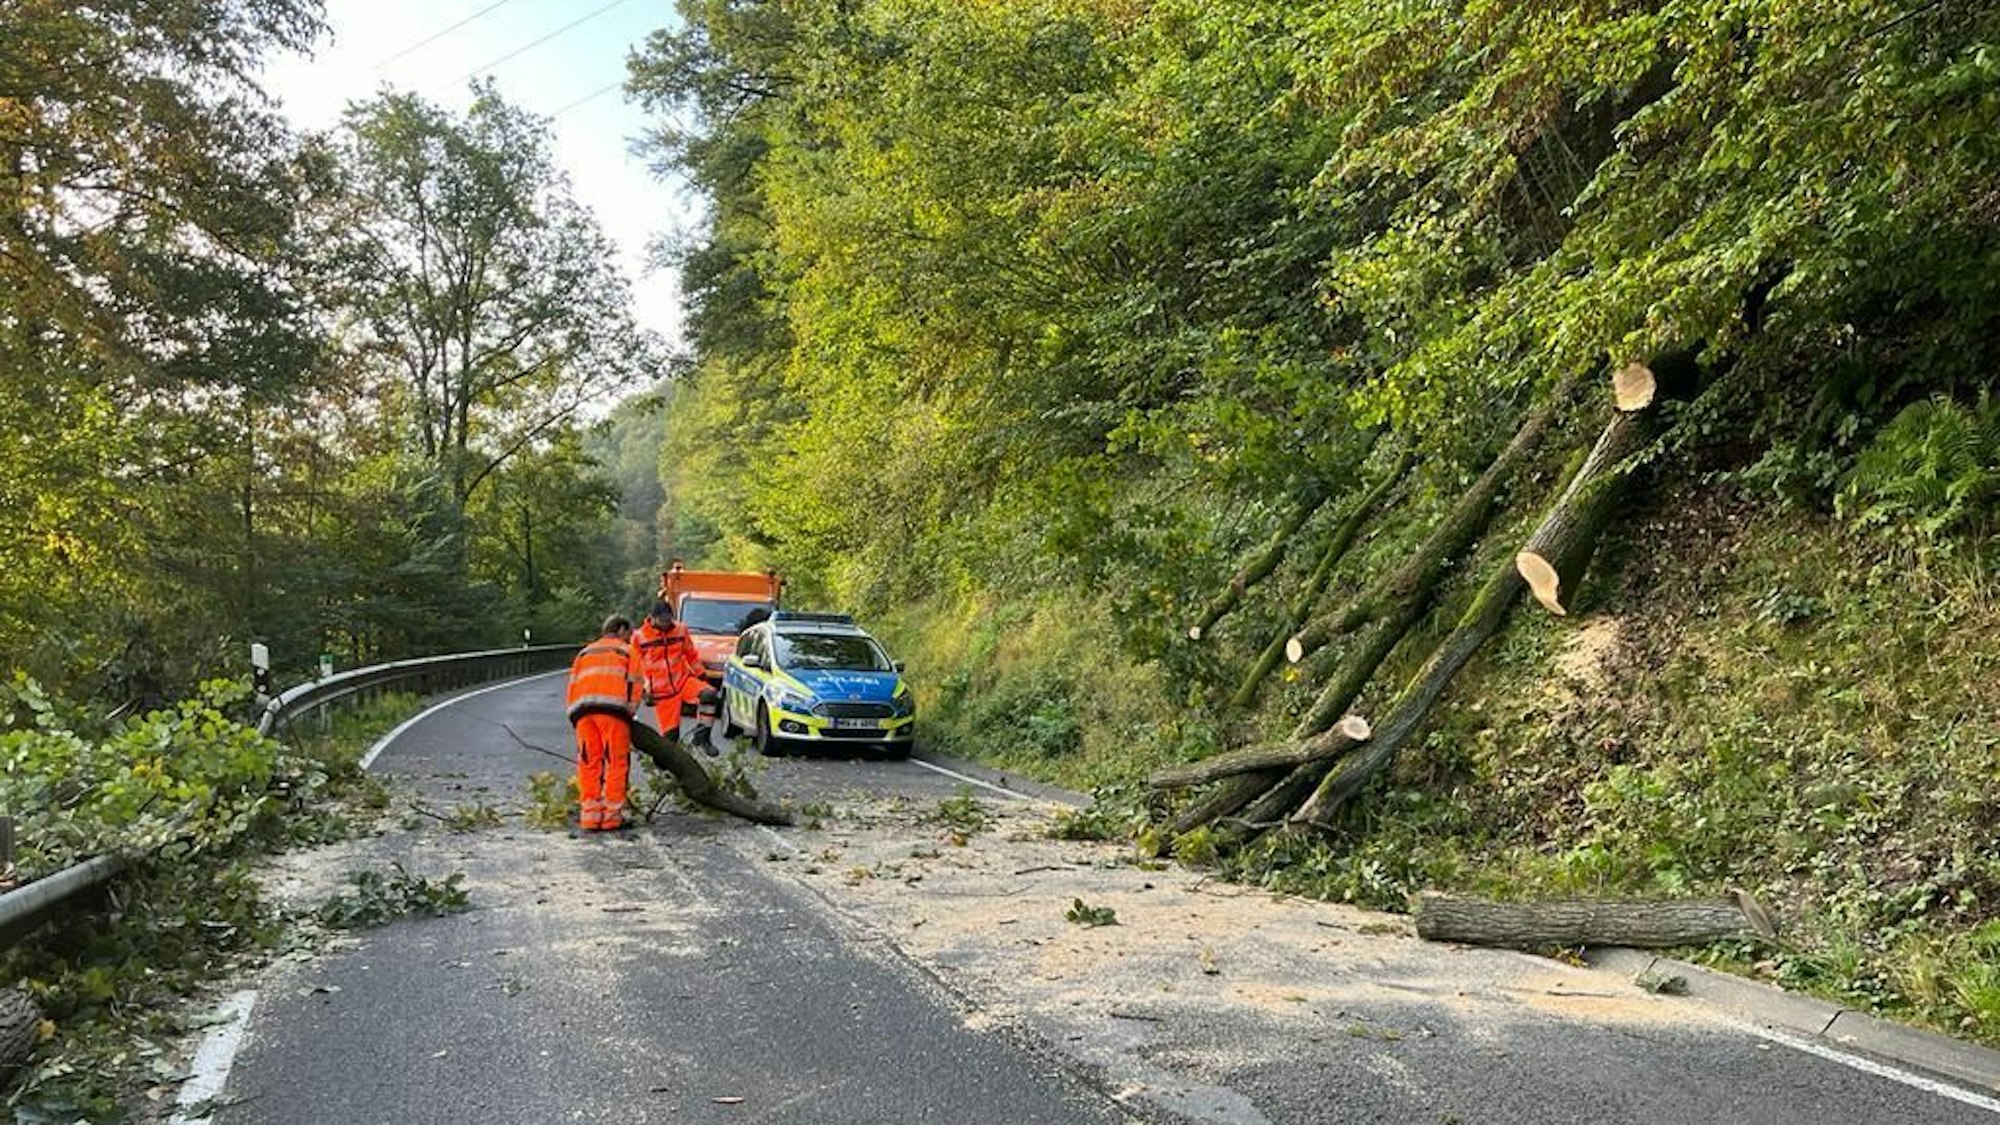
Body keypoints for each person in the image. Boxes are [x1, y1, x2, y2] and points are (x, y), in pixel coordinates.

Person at [564, 615, 642, 831]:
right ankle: (611, 817)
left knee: (589, 762)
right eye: (629, 632)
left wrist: (574, 716)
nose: (630, 637)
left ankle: (589, 816)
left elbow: (572, 686)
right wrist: (631, 713)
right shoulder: (627, 652)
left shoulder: (585, 652)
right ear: (621, 629)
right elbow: (635, 686)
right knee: (616, 762)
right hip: (613, 712)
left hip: (583, 713)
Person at [632, 600, 708, 739]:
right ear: (652, 618)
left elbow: (691, 654)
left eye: (668, 620)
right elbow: (634, 667)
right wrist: (643, 691)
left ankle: (702, 737)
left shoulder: (680, 630)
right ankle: (665, 759)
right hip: (662, 693)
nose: (666, 624)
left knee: (709, 695)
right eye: (662, 620)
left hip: (683, 681)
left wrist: (701, 674)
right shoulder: (639, 637)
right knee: (671, 737)